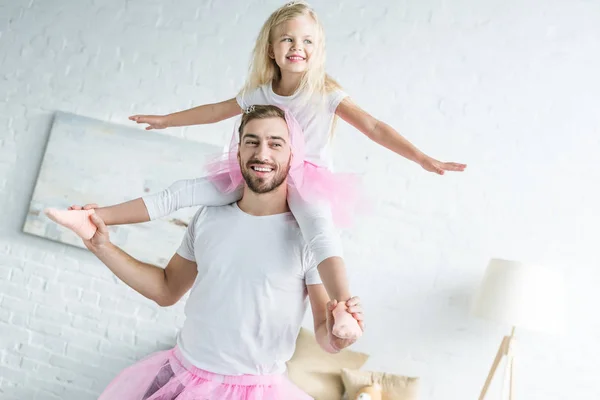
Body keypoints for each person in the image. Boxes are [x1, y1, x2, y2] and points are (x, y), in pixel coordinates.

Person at [45, 1, 465, 340]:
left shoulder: (325, 92)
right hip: (260, 171)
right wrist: (167, 120)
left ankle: (344, 309)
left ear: (318, 50)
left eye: (307, 41)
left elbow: (374, 127)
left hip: (307, 176)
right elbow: (214, 110)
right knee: (183, 191)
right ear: (271, 48)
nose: (296, 47)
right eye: (287, 39)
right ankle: (94, 217)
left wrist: (422, 157)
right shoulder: (259, 92)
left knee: (319, 230)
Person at [85, 105, 365, 399]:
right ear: (239, 151)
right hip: (179, 380)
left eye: (275, 143)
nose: (262, 153)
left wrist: (337, 337)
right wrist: (103, 247)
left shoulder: (307, 237)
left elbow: (325, 330)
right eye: (252, 141)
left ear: (293, 156)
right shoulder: (209, 218)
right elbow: (166, 289)